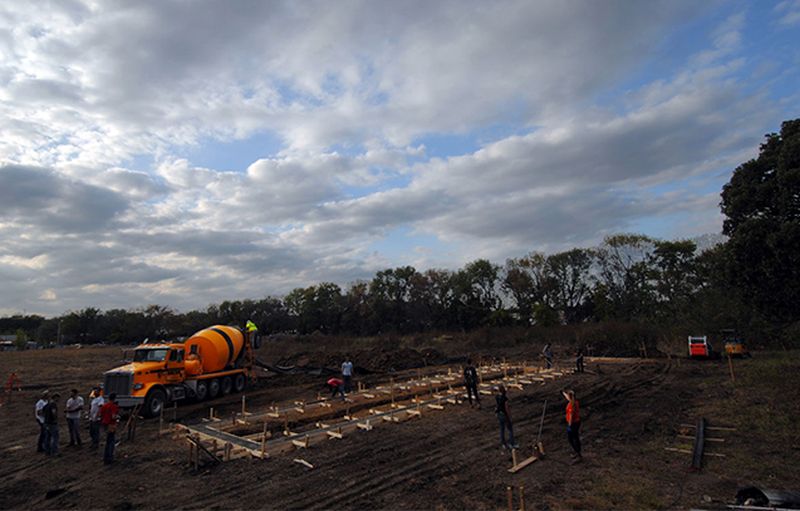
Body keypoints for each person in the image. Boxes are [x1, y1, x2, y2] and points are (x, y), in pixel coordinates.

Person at [494, 385, 517, 449]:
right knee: (510, 429)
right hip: (504, 415)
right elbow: (507, 408)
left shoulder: (497, 397)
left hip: (499, 414)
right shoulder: (504, 399)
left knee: (502, 429)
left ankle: (503, 443)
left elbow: (497, 406)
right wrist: (510, 417)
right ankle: (512, 443)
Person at [100, 393, 120, 464]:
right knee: (111, 441)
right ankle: (110, 457)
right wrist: (118, 417)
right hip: (111, 424)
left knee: (108, 441)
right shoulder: (113, 406)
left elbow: (101, 414)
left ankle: (105, 457)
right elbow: (113, 416)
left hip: (105, 424)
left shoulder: (105, 406)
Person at [562, 389, 582, 463]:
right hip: (577, 422)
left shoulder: (571, 405)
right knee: (575, 438)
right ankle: (577, 452)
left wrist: (569, 425)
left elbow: (571, 416)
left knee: (572, 439)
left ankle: (578, 453)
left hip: (573, 424)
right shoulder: (575, 402)